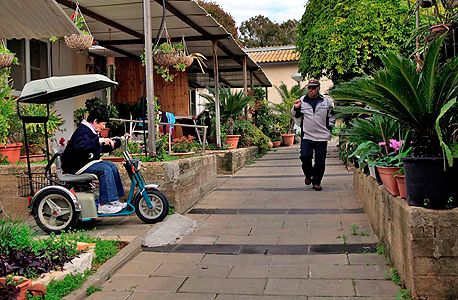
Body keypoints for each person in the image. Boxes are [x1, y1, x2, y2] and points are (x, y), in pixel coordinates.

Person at [61, 107, 127, 214]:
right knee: (105, 169)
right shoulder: (83, 130)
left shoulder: (92, 131)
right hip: (76, 165)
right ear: (95, 121)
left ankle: (114, 200)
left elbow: (98, 146)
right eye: (103, 124)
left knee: (112, 167)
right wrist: (100, 140)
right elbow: (81, 145)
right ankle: (104, 204)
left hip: (86, 162)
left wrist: (118, 141)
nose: (104, 127)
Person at [291, 79, 335, 191]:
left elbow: (332, 115)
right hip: (307, 135)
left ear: (318, 89)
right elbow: (295, 115)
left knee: (320, 160)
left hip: (322, 135)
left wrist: (330, 127)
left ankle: (316, 182)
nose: (310, 90)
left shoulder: (326, 101)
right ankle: (308, 174)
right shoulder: (302, 100)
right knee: (305, 157)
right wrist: (296, 108)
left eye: (313, 88)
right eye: (309, 88)